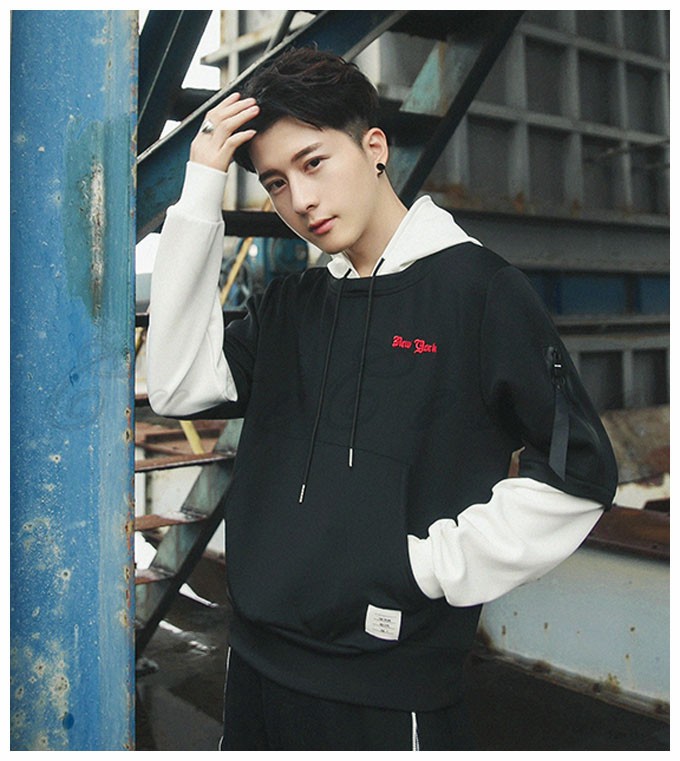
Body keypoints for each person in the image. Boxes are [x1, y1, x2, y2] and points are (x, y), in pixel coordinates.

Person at [146, 46, 618, 751]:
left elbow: (581, 471)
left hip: (387, 688)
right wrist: (200, 189)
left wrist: (424, 566)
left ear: (374, 148)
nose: (300, 200)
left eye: (313, 163)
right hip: (255, 665)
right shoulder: (292, 304)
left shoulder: (477, 290)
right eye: (275, 183)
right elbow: (179, 383)